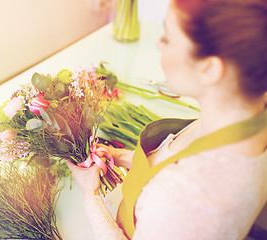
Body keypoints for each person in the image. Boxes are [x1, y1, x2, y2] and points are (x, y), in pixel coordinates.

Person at [66, 0, 267, 239]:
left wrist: (91, 195)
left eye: (168, 38)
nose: (159, 45)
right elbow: (171, 161)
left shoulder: (182, 200)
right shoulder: (242, 115)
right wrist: (121, 156)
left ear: (210, 69)